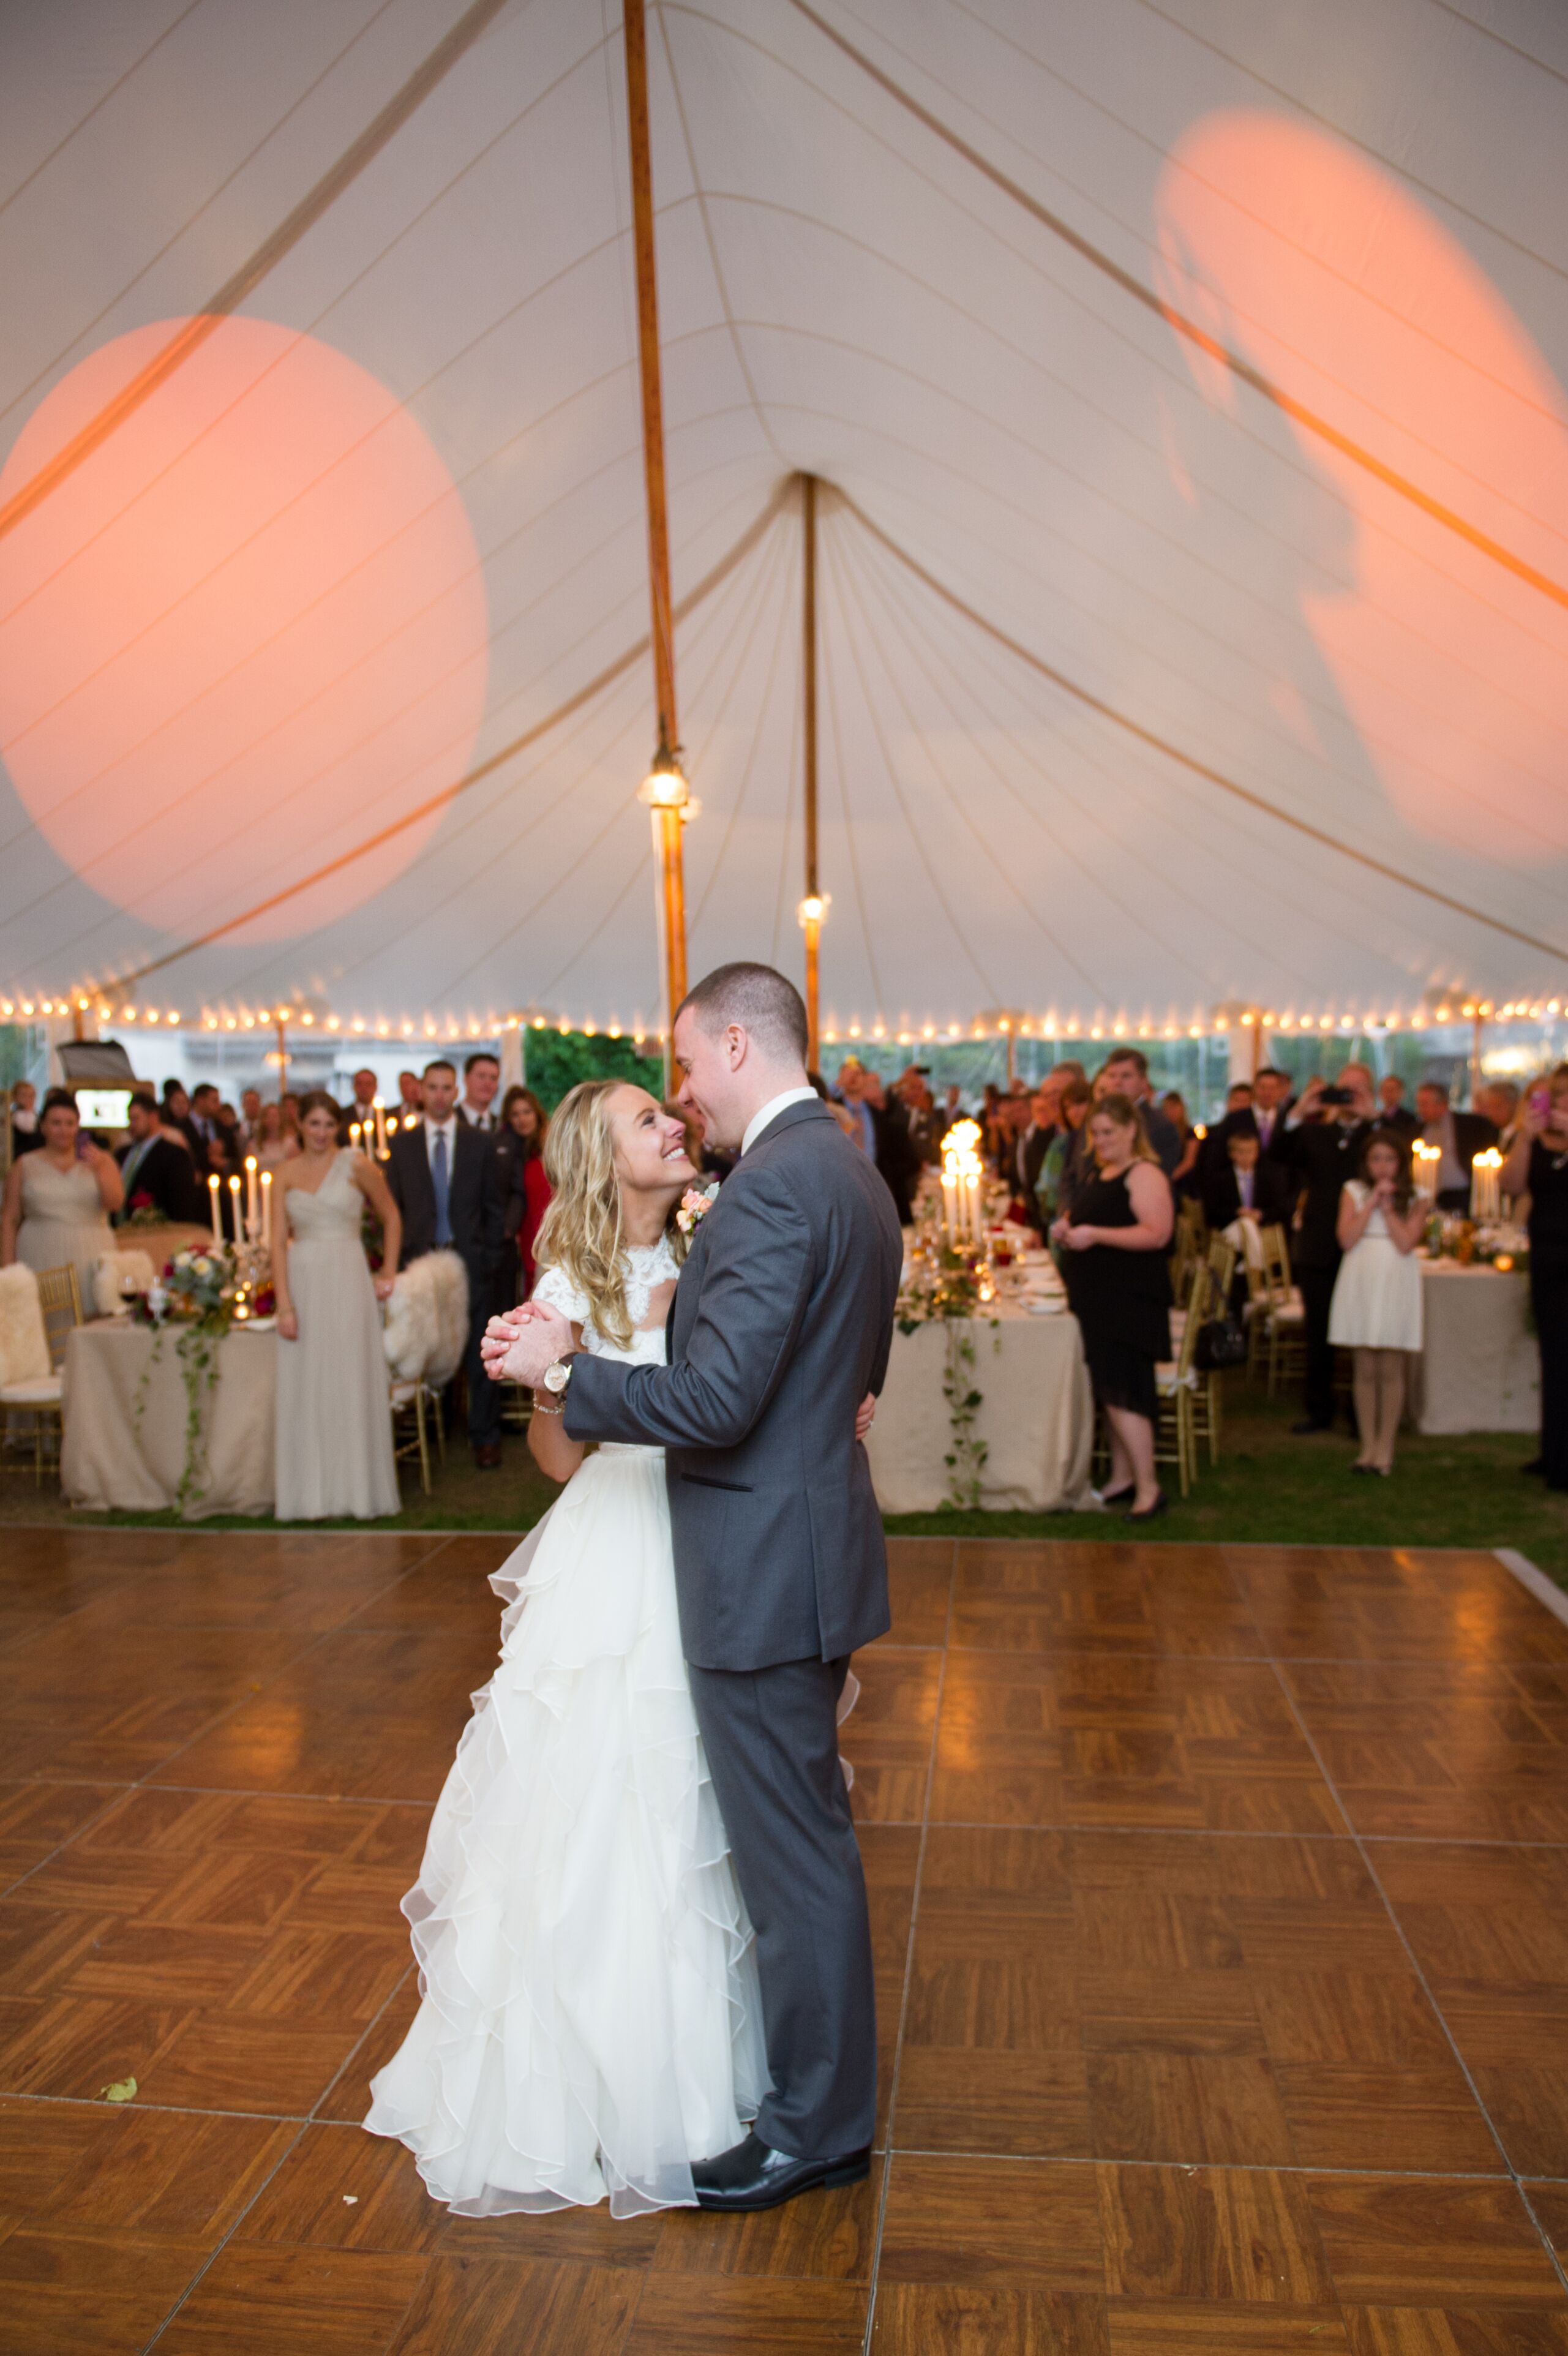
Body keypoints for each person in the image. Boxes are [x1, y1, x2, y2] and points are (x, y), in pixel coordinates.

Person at [482, 962, 902, 2213]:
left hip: (760, 1567)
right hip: (795, 1548)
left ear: (732, 1041)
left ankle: (813, 2128)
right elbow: (854, 1365)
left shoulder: (771, 1188)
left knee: (791, 1863)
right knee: (792, 1851)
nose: (679, 1096)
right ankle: (803, 2103)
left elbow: (717, 1402)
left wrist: (564, 1372)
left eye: (683, 1065)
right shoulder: (849, 1171)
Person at [272, 1090, 400, 1521]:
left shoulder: (357, 1165)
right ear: (300, 1126)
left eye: (329, 1124)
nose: (322, 1133)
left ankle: (356, 1490)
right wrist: (284, 1305)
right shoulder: (283, 1173)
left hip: (348, 1275)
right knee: (307, 1381)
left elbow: (392, 1216)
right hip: (303, 1275)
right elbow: (274, 1242)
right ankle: (309, 1493)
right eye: (314, 1124)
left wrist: (388, 1272)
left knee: (348, 1376)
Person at [1052, 1093, 1173, 1518]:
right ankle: (1122, 1479)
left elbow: (1157, 1234)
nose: (1100, 1140)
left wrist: (1094, 1236)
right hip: (1098, 1298)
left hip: (1128, 1301)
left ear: (1130, 1131)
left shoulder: (1143, 1174)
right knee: (1110, 1391)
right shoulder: (1101, 1171)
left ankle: (1149, 1488)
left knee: (1125, 1395)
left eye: (1107, 1133)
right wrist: (1068, 1228)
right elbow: (1092, 1218)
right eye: (1095, 1133)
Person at [384, 1058, 506, 1468]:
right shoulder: (401, 1145)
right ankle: (427, 1431)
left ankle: (484, 1437)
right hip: (420, 1265)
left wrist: (488, 1254)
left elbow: (495, 1207)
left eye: (446, 1088)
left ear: (456, 1092)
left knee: (480, 1352)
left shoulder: (479, 1143)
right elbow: (392, 1210)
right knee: (426, 1344)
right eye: (432, 1087)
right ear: (421, 1092)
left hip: (469, 1259)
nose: (439, 1095)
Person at [1281, 1066, 1375, 1433]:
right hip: (1319, 1245)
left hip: (1361, 1245)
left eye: (1357, 1090)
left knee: (1361, 1332)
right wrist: (1301, 1109)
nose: (1348, 1098)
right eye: (1344, 1090)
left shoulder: (1374, 1135)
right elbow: (1279, 1153)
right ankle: (1319, 1409)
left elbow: (1401, 1158)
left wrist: (1373, 1117)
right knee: (1318, 1332)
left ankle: (1359, 1411)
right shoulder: (1315, 1133)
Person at [1327, 1129, 1425, 1476]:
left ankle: (1387, 1446)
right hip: (1362, 1273)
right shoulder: (1352, 1191)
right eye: (1376, 1159)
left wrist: (1389, 1208)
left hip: (1396, 1274)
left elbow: (1405, 1243)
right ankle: (1367, 1445)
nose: (1383, 1166)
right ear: (1367, 1164)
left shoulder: (1419, 1196)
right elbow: (1346, 1238)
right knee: (1365, 1366)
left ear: (1400, 1163)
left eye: (1389, 1159)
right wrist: (1370, 1203)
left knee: (1390, 1366)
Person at [1503, 1070, 1568, 1489]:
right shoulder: (1533, 1142)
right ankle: (1552, 1451)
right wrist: (1525, 1137)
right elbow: (1510, 1184)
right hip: (1546, 1256)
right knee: (1552, 1356)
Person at [1, 1087, 122, 1296]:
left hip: (92, 1252)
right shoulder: (24, 1165)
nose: (63, 1130)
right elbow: (9, 1219)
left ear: (78, 1127)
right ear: (43, 1127)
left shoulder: (101, 1160)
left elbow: (115, 1204)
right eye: (56, 1123)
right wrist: (8, 1270)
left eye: (70, 1124)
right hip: (39, 1253)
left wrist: (101, 1169)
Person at [114, 1091, 204, 1225]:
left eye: (136, 1119)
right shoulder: (123, 1153)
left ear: (153, 1117)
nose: (131, 1125)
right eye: (130, 1119)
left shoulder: (174, 1154)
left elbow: (182, 1202)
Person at [499, 1084, 551, 1299]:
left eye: (527, 1112)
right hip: (526, 1231)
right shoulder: (509, 1151)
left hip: (550, 1227)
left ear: (536, 1113)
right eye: (515, 1114)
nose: (522, 1119)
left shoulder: (551, 1144)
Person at [1095, 1049, 1180, 1177]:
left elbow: (1158, 1176)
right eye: (1112, 1076)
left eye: (1126, 1076)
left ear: (1144, 1082)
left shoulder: (1160, 1126)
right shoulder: (1097, 1121)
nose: (1117, 1082)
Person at [1416, 1080, 1497, 1214]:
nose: (1420, 1109)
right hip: (1428, 1196)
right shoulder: (1417, 1129)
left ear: (1442, 1105)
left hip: (1463, 1196)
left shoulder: (1469, 1125)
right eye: (1419, 1104)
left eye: (1425, 1104)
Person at [1202, 1127, 1291, 1232]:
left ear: (1257, 1153)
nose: (1245, 1156)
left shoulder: (1266, 1179)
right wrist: (1237, 1213)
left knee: (1250, 1227)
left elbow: (1279, 1208)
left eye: (1249, 1151)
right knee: (1246, 1224)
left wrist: (1260, 1214)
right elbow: (1211, 1212)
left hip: (1261, 1230)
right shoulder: (1221, 1180)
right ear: (1232, 1153)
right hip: (1230, 1232)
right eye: (1241, 1152)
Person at [1035, 1078, 1092, 1229]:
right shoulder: (1065, 1141)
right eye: (1068, 1108)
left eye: (1080, 1103)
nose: (1074, 1112)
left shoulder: (1098, 1142)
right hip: (1061, 1221)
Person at [459, 1050, 502, 1133]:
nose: (488, 1083)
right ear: (466, 1079)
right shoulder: (449, 1119)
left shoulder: (502, 1126)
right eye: (481, 1076)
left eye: (493, 1078)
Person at [1376, 1073, 1420, 1140]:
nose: (1388, 1094)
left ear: (1401, 1093)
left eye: (1392, 1090)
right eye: (1385, 1090)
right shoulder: (1376, 1116)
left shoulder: (1409, 1119)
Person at [8, 1079, 42, 1158]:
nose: (28, 1099)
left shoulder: (41, 1119)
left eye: (31, 1096)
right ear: (15, 1097)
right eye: (24, 1095)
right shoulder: (10, 1119)